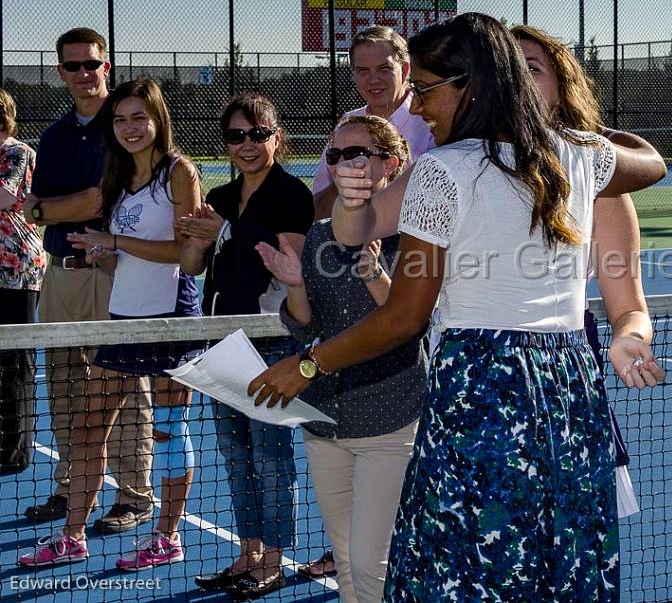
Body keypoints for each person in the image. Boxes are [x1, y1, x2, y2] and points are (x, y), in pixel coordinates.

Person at [248, 12, 666, 601]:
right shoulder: (577, 154)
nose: (414, 107)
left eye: (423, 89)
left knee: (466, 569)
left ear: (472, 84)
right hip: (568, 386)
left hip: (481, 388)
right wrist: (580, 135)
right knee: (558, 559)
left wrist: (309, 365)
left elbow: (403, 317)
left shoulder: (444, 172)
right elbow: (652, 161)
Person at [17, 78, 202, 568]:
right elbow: (124, 259)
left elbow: (186, 255)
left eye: (139, 117)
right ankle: (72, 535)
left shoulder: (179, 172)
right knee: (87, 430)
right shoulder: (116, 177)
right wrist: (103, 252)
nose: (129, 128)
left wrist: (117, 244)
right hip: (121, 319)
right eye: (120, 120)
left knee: (169, 431)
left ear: (158, 119)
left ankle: (167, 536)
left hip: (170, 320)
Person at [258, 115, 426, 603]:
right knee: (346, 559)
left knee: (374, 564)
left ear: (391, 163)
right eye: (334, 156)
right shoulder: (319, 235)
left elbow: (408, 322)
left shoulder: (420, 233)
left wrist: (374, 270)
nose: (342, 164)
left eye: (356, 154)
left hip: (390, 421)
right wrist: (294, 285)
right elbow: (308, 326)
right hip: (325, 422)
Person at [511, 24, 667, 512]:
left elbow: (630, 309)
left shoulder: (600, 185)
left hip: (563, 394)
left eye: (532, 69)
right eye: (506, 68)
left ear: (560, 92)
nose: (516, 79)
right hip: (468, 401)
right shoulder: (451, 168)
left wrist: (630, 335)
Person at [178, 93, 314, 601]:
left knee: (270, 454)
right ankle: (248, 552)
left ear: (277, 137)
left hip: (272, 340)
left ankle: (275, 560)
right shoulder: (218, 197)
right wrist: (193, 235)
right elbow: (192, 267)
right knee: (235, 454)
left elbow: (290, 257)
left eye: (258, 134)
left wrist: (229, 231)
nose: (248, 145)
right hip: (221, 340)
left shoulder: (292, 194)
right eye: (236, 136)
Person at [22, 27, 155, 533]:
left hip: (112, 273)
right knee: (64, 383)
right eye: (72, 66)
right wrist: (53, 209)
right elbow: (40, 211)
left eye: (92, 64)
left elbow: (101, 200)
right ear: (60, 72)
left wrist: (55, 208)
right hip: (60, 275)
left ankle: (133, 495)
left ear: (107, 67)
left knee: (122, 382)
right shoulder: (54, 136)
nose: (83, 73)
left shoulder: (125, 126)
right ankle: (71, 486)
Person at [310, 26, 435, 219]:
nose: (373, 79)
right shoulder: (345, 127)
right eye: (363, 71)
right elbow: (318, 213)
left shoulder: (432, 122)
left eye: (384, 69)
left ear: (405, 70)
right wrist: (341, 184)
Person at [0, 88, 45, 474]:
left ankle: (14, 451)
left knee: (16, 360)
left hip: (17, 269)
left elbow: (4, 195)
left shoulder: (17, 152)